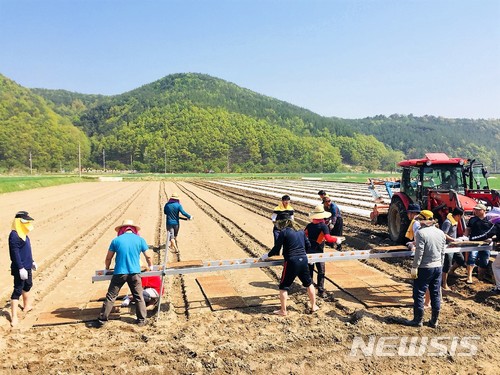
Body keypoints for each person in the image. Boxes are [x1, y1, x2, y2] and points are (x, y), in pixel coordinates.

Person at [98, 219, 154, 327]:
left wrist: (107, 268)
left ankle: (103, 320)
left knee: (111, 296)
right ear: (133, 229)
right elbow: (148, 256)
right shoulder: (140, 240)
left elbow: (108, 258)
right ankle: (141, 320)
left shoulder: (116, 240)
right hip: (135, 273)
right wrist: (150, 266)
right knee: (138, 296)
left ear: (122, 229)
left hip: (119, 272)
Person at [260, 215, 317, 316]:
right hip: (303, 259)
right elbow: (308, 245)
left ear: (283, 222)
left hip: (292, 261)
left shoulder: (284, 232)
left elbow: (277, 248)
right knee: (309, 283)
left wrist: (266, 255)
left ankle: (283, 310)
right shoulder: (300, 231)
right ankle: (314, 306)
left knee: (283, 286)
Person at [404, 210, 446, 328]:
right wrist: (440, 265)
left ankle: (418, 320)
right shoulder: (441, 233)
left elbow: (419, 252)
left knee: (419, 293)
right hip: (437, 267)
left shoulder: (421, 233)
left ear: (422, 220)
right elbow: (443, 252)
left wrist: (414, 267)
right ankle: (434, 321)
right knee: (435, 293)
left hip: (424, 268)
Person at [304, 205, 342, 298]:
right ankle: (321, 290)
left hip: (309, 250)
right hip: (318, 251)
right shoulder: (323, 226)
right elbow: (328, 238)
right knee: (321, 270)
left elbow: (304, 236)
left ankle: (310, 288)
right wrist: (336, 240)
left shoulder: (309, 225)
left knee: (310, 270)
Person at [9, 211, 37, 327]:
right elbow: (14, 254)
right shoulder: (14, 236)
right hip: (20, 268)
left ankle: (26, 306)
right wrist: (20, 268)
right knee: (17, 290)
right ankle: (14, 317)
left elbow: (27, 251)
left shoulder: (24, 235)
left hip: (27, 266)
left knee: (28, 285)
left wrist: (32, 261)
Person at [464, 203, 496, 284]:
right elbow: (468, 229)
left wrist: (492, 238)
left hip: (486, 244)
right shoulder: (473, 219)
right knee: (472, 258)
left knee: (484, 260)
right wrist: (465, 237)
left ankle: (480, 277)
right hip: (474, 243)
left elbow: (495, 231)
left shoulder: (490, 220)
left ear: (484, 211)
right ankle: (469, 277)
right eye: (476, 210)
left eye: (478, 210)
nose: (476, 211)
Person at [440, 207, 465, 290]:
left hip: (454, 245)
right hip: (448, 247)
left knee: (461, 260)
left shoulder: (454, 221)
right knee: (447, 264)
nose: (460, 218)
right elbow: (443, 234)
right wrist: (453, 239)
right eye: (460, 216)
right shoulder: (448, 222)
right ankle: (444, 283)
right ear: (457, 215)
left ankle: (452, 271)